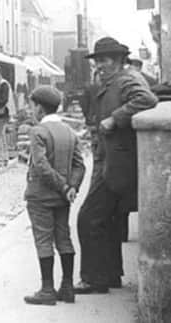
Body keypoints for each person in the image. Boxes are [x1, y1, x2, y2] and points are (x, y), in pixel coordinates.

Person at [76, 37, 158, 294]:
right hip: (108, 158)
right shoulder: (111, 82)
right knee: (108, 219)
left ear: (119, 60)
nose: (99, 65)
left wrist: (115, 119)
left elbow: (147, 100)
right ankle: (110, 275)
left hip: (116, 163)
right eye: (97, 61)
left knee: (89, 218)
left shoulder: (126, 80)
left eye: (104, 60)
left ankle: (93, 278)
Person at [23, 86, 86, 306]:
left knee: (43, 240)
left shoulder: (38, 131)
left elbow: (40, 166)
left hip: (40, 196)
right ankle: (67, 287)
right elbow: (79, 165)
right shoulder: (69, 131)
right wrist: (71, 188)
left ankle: (47, 290)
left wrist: (62, 186)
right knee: (63, 238)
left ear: (39, 107)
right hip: (62, 199)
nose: (32, 110)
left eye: (32, 106)